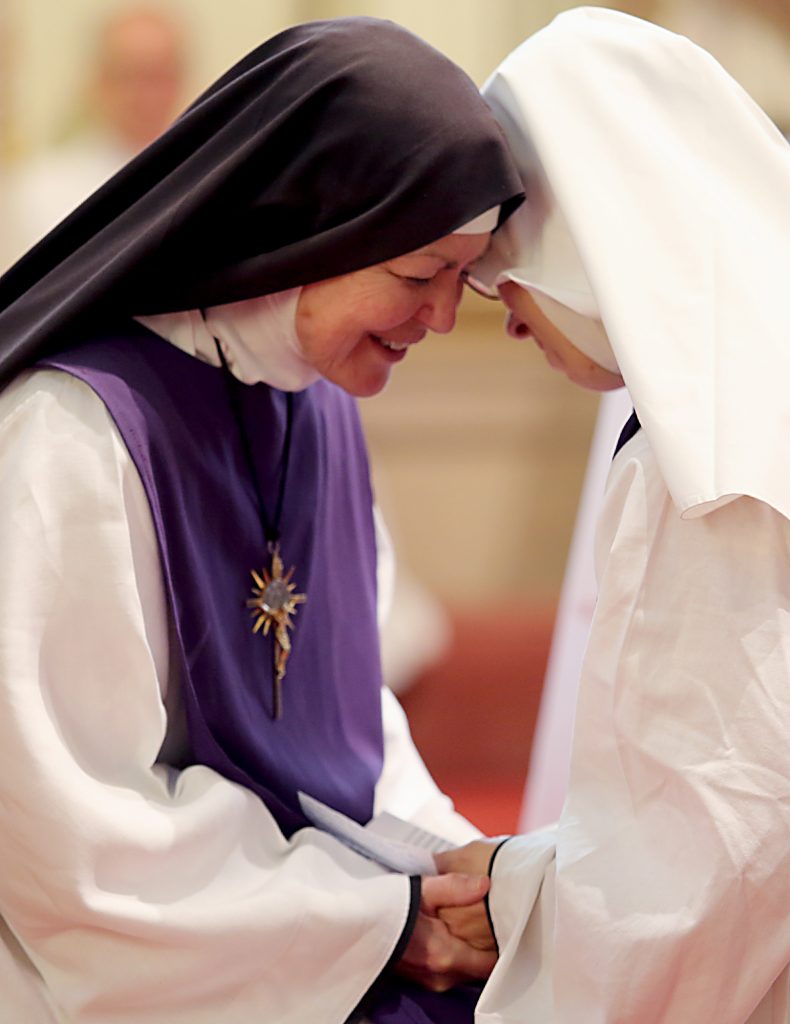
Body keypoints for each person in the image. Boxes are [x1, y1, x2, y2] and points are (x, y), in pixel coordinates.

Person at [0, 16, 523, 1023]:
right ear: (309, 230)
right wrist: (373, 920)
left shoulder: (319, 406)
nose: (443, 319)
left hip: (319, 924)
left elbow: (350, 718)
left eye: (465, 277)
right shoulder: (72, 437)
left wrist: (448, 864)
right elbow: (67, 832)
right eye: (419, 276)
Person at [436, 8, 790, 1021]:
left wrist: (519, 895)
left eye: (509, 258)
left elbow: (772, 833)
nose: (496, 306)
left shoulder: (717, 458)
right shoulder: (777, 379)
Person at [3, 6, 187, 268]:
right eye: (131, 75)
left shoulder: (210, 173)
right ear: (100, 80)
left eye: (161, 74)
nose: (148, 94)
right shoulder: (37, 189)